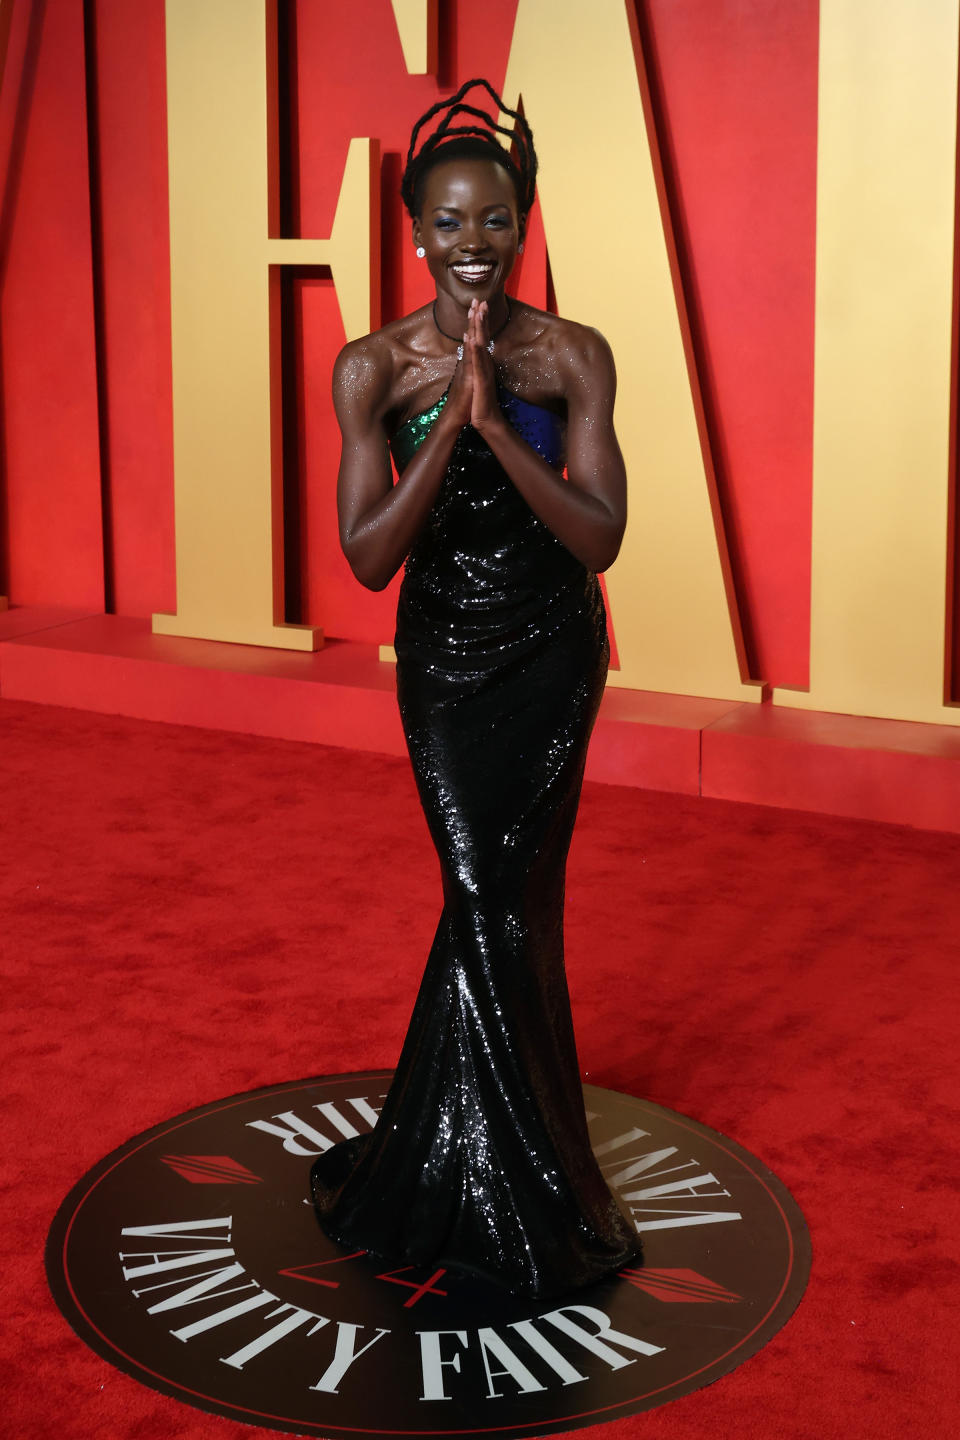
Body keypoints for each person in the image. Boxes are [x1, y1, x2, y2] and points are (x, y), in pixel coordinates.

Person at [310, 78, 640, 1298]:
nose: (472, 246)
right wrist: (450, 421)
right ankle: (490, 1163)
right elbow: (369, 558)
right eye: (449, 223)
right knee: (479, 884)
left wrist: (507, 427)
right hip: (445, 660)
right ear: (413, 232)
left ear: (524, 220)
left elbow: (599, 539)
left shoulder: (572, 356)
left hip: (553, 651)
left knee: (513, 896)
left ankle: (513, 1172)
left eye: (495, 221)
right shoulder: (371, 369)